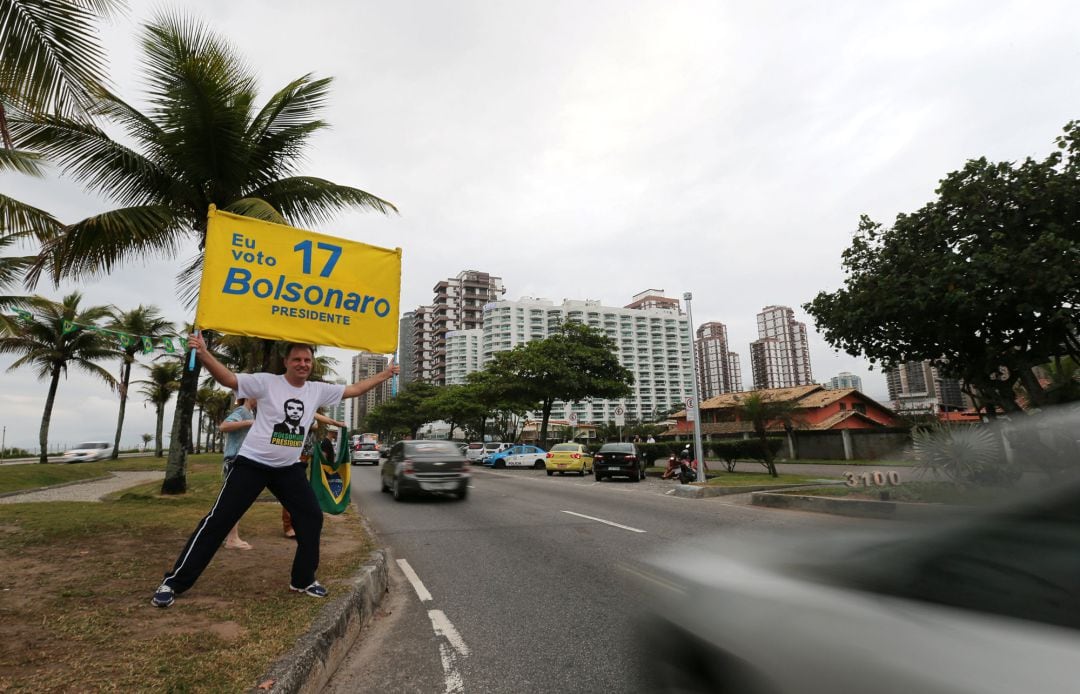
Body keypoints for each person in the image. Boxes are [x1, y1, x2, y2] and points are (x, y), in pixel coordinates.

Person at [151, 337, 398, 608]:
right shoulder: (267, 382)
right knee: (219, 520)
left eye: (307, 360)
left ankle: (303, 579)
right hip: (252, 464)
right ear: (286, 362)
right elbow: (230, 380)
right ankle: (174, 582)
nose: (303, 364)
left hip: (288, 469)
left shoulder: (316, 390)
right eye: (297, 360)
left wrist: (385, 375)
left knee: (311, 518)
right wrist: (204, 354)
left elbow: (354, 389)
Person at [283, 413, 344, 539]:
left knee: (302, 493)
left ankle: (299, 524)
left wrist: (336, 423)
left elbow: (320, 420)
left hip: (306, 455)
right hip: (295, 453)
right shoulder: (295, 410)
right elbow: (313, 425)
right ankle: (288, 525)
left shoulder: (308, 407)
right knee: (291, 491)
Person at [218, 397, 256, 550]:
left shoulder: (250, 413)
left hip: (240, 461)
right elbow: (223, 426)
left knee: (233, 502)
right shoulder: (242, 411)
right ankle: (232, 539)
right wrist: (249, 423)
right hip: (235, 461)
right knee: (234, 502)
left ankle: (229, 536)